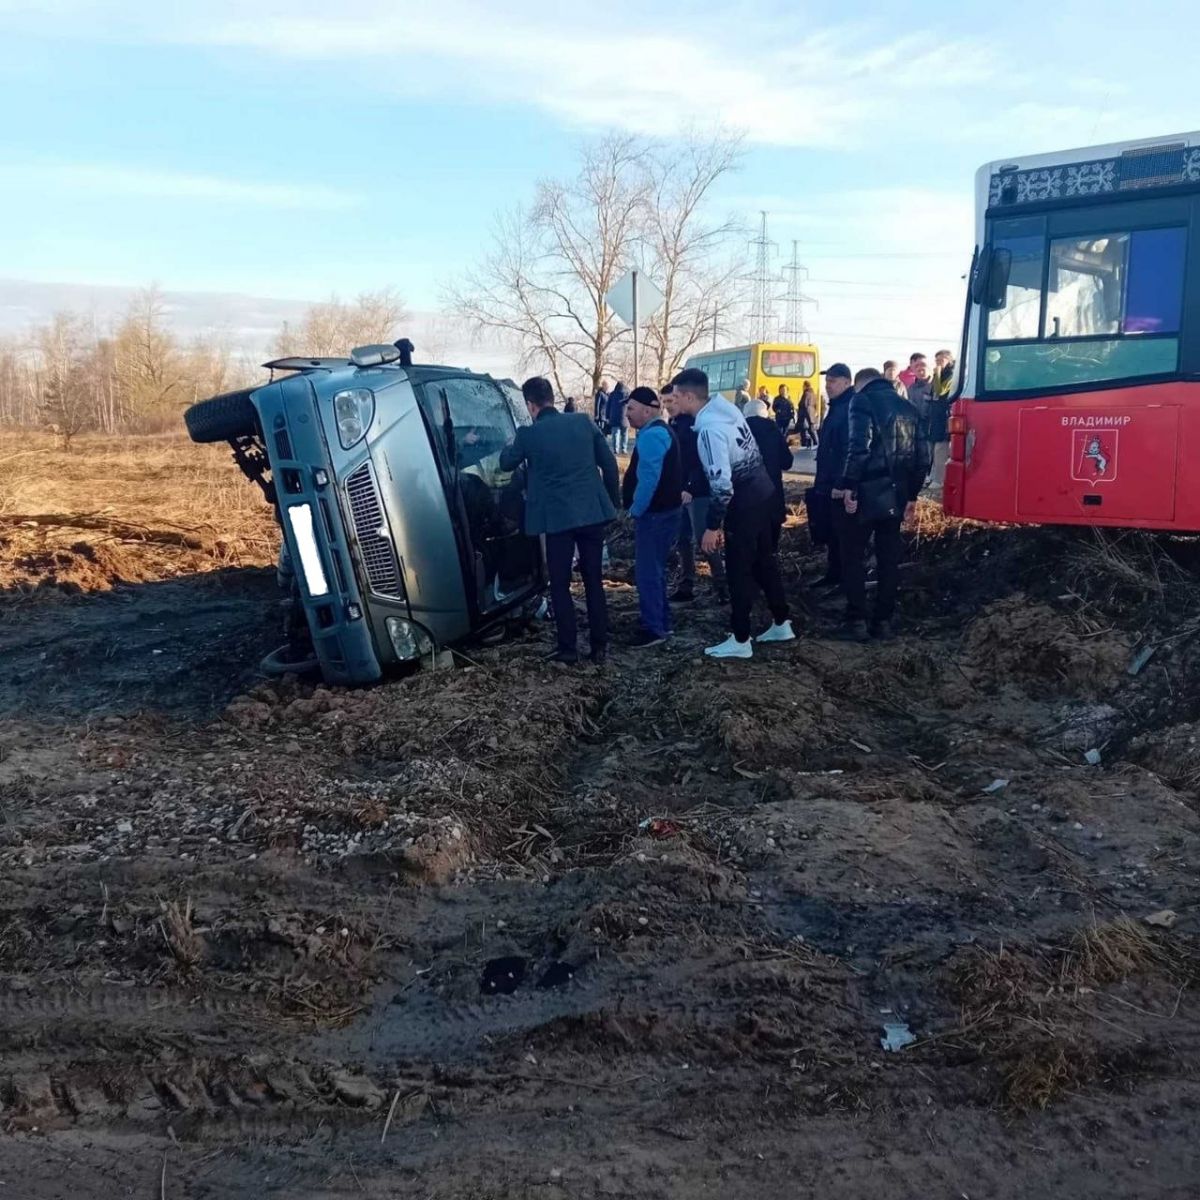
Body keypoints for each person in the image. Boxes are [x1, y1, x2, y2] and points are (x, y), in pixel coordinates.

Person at [669, 368, 794, 659]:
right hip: (764, 491)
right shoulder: (727, 409)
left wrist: (712, 526)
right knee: (764, 561)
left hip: (744, 502)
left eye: (675, 396)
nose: (673, 402)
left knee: (739, 569)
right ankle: (781, 621)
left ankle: (740, 638)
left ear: (689, 396)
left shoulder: (710, 431)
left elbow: (722, 485)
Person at [500, 376, 621, 664]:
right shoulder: (583, 422)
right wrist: (612, 502)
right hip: (592, 513)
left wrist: (511, 443)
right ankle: (599, 646)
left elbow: (506, 463)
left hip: (557, 521)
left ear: (530, 405)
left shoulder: (529, 435)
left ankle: (568, 649)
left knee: (560, 584)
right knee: (593, 581)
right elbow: (609, 463)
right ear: (552, 398)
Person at [832, 367, 930, 643]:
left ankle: (856, 620)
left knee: (853, 556)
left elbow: (859, 448)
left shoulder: (861, 401)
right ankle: (883, 622)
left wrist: (847, 485)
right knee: (888, 559)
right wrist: (911, 496)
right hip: (896, 494)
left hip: (865, 492)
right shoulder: (908, 407)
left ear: (861, 384)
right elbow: (923, 458)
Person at [622, 387, 683, 648]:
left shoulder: (652, 436)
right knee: (654, 571)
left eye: (631, 408)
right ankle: (661, 622)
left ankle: (653, 628)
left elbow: (648, 480)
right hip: (664, 513)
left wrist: (635, 510)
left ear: (648, 410)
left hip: (655, 515)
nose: (627, 414)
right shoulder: (661, 431)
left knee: (648, 572)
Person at [667, 385, 729, 605]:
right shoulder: (672, 425)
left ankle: (722, 587)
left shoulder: (694, 426)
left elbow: (700, 461)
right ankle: (686, 584)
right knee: (682, 539)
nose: (668, 407)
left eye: (672, 401)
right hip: (680, 492)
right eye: (665, 402)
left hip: (698, 493)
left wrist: (690, 487)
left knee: (706, 540)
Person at [807, 363, 854, 589]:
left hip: (838, 484)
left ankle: (844, 579)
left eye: (833, 381)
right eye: (827, 381)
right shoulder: (835, 407)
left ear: (847, 382)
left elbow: (848, 450)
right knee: (832, 533)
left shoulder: (849, 408)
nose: (828, 386)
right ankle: (833, 573)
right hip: (827, 482)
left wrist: (841, 482)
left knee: (842, 534)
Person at [744, 398, 793, 549]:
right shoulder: (773, 430)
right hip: (772, 493)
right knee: (769, 547)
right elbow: (787, 462)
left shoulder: (739, 430)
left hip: (745, 496)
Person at [928, 350, 956, 492]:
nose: (938, 363)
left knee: (941, 447)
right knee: (934, 446)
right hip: (936, 414)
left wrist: (937, 373)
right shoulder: (940, 374)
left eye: (941, 360)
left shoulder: (951, 374)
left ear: (948, 360)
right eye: (936, 360)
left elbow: (940, 391)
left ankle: (940, 479)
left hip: (945, 414)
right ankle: (934, 475)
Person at [606, 381, 630, 454]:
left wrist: (607, 416)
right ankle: (624, 448)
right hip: (625, 418)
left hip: (614, 417)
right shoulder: (627, 394)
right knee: (625, 434)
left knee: (615, 434)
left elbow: (608, 406)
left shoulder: (612, 394)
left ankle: (615, 449)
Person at [797, 382, 818, 448]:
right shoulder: (813, 393)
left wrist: (799, 408)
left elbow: (804, 404)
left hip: (805, 414)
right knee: (811, 429)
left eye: (803, 386)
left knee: (803, 428)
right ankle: (815, 443)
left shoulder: (806, 393)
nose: (802, 387)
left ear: (805, 386)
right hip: (811, 413)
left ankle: (805, 443)